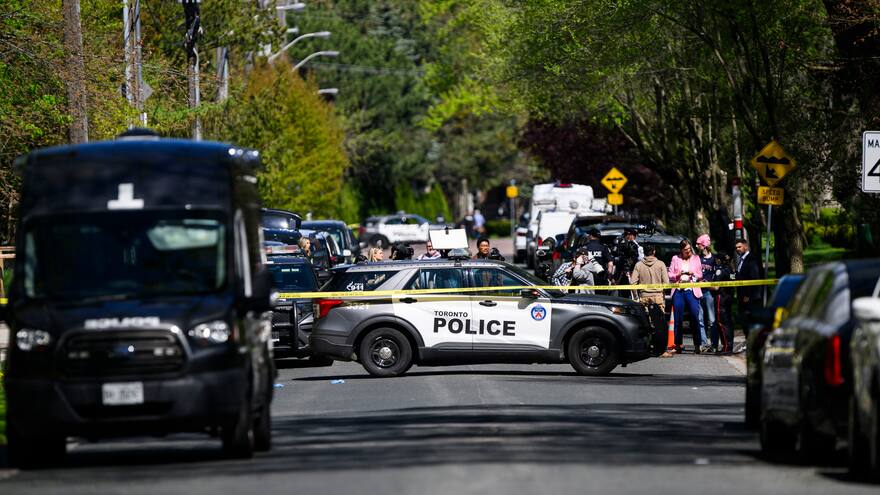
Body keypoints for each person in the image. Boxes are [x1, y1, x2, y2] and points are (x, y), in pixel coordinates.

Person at [631, 244, 671, 357]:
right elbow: (666, 283)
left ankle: (646, 348)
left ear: (644, 252)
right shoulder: (661, 264)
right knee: (659, 325)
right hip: (658, 297)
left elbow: (633, 283)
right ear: (654, 251)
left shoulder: (639, 265)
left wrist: (636, 297)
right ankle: (661, 350)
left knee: (645, 324)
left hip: (644, 297)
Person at [668, 239, 704, 353]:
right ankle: (678, 344)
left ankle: (697, 344)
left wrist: (693, 274)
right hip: (678, 291)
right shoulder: (675, 258)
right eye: (685, 250)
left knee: (694, 316)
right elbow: (670, 274)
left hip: (691, 290)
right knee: (678, 318)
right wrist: (678, 274)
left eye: (689, 249)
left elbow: (700, 274)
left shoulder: (696, 258)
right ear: (681, 250)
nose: (688, 251)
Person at [735, 238, 762, 341]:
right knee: (745, 321)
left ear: (745, 246)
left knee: (750, 321)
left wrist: (748, 295)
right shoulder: (741, 260)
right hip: (742, 296)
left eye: (739, 247)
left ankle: (752, 342)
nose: (737, 249)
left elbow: (753, 278)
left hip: (750, 297)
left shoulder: (751, 259)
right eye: (736, 247)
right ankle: (748, 342)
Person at [696, 234, 719, 353]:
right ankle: (704, 343)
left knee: (712, 319)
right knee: (700, 319)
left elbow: (718, 275)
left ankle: (714, 344)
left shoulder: (714, 259)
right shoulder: (697, 259)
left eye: (699, 244)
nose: (697, 246)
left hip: (709, 293)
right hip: (699, 291)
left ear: (704, 245)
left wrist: (712, 284)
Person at [714, 252, 736, 354]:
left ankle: (726, 347)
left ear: (719, 260)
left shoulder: (720, 270)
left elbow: (715, 287)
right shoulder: (731, 270)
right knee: (728, 322)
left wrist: (705, 284)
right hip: (729, 297)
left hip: (721, 297)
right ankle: (729, 346)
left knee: (721, 322)